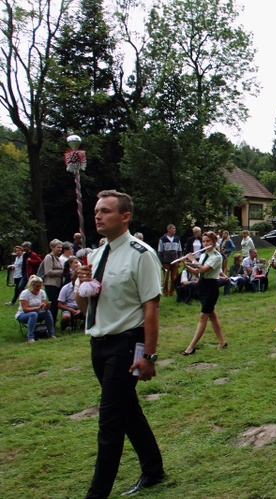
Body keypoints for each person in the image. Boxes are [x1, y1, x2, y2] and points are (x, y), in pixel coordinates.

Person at [74, 190, 164, 497]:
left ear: (125, 217)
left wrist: (149, 355)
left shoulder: (141, 254)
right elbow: (86, 310)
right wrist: (80, 285)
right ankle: (153, 468)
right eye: (97, 210)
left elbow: (151, 308)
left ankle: (96, 493)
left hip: (127, 344)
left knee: (109, 422)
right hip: (99, 342)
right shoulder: (96, 255)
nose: (98, 215)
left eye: (106, 211)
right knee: (127, 411)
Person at [181, 231, 227, 354]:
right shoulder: (202, 255)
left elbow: (203, 268)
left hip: (211, 287)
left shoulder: (217, 256)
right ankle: (222, 342)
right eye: (204, 241)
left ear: (214, 242)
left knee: (203, 317)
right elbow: (198, 273)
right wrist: (186, 264)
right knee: (212, 316)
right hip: (202, 286)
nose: (205, 243)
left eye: (208, 241)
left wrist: (192, 260)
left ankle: (191, 347)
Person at [16, 275, 56, 342]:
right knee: (33, 314)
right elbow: (25, 309)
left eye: (40, 286)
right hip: (23, 314)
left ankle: (51, 333)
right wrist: (37, 308)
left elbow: (42, 304)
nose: (39, 288)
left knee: (47, 312)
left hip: (37, 312)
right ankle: (30, 337)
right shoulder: (25, 293)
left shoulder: (42, 292)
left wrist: (45, 307)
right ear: (32, 285)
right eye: (37, 286)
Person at [39, 239, 65, 324]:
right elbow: (48, 271)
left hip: (58, 284)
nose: (60, 249)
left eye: (61, 248)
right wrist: (62, 272)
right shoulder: (49, 257)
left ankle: (52, 322)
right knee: (53, 305)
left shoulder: (57, 258)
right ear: (52, 247)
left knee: (56, 305)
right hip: (51, 284)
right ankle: (50, 323)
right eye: (58, 247)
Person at [58, 257, 84, 330]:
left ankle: (84, 326)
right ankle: (64, 327)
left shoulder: (83, 287)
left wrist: (81, 309)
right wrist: (70, 309)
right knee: (66, 316)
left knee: (90, 313)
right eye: (76, 279)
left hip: (80, 308)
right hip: (69, 308)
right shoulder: (65, 288)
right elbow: (59, 304)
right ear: (72, 279)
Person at [157, 224, 182, 296]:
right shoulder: (162, 239)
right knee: (166, 278)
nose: (174, 230)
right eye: (173, 228)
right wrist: (161, 262)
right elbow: (160, 251)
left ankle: (172, 292)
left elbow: (179, 250)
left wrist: (179, 260)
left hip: (175, 261)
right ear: (168, 229)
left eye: (175, 228)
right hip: (166, 261)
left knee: (174, 277)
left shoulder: (177, 239)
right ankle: (165, 292)